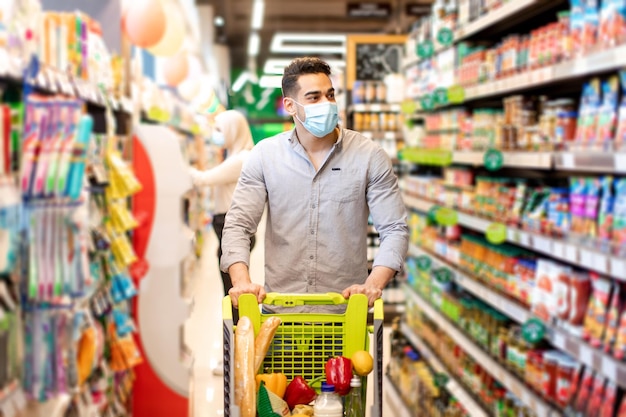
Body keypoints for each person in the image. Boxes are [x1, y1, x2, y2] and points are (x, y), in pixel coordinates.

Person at [221, 57, 409, 312]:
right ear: (290, 105)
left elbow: (395, 228)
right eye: (314, 97)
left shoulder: (369, 156)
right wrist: (241, 281)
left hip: (345, 313)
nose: (327, 104)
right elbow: (239, 224)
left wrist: (373, 284)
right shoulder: (265, 156)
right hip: (281, 313)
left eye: (330, 95)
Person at [189, 109, 256, 320]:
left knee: (234, 289)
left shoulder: (240, 160)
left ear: (233, 130)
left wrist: (176, 164)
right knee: (233, 286)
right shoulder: (237, 156)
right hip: (227, 224)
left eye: (220, 130)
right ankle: (237, 331)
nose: (216, 135)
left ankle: (239, 335)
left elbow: (203, 179)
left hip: (232, 227)